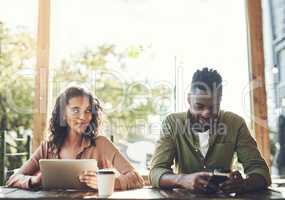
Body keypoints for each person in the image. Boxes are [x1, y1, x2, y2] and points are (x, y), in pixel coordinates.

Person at [149, 68, 271, 194]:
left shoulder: (236, 123)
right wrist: (183, 180)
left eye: (213, 107)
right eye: (199, 106)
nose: (206, 114)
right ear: (189, 99)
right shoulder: (172, 123)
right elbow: (156, 172)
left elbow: (260, 171)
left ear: (220, 101)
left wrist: (244, 184)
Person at [7, 86, 144, 190]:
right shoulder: (47, 147)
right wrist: (35, 181)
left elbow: (136, 178)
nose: (83, 117)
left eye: (88, 110)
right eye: (76, 110)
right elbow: (13, 179)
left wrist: (108, 183)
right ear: (63, 114)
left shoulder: (101, 144)